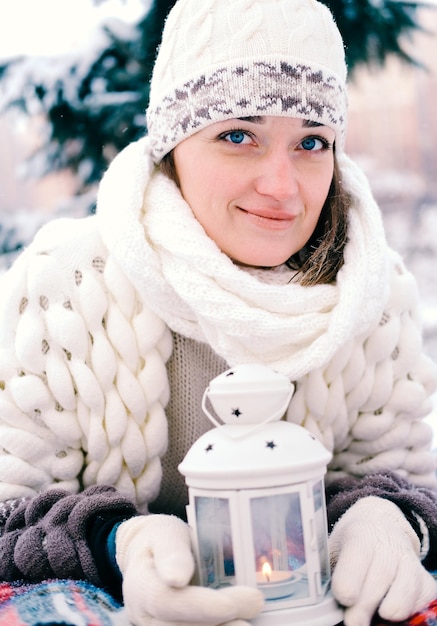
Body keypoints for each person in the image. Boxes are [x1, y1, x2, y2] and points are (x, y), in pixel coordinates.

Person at [0, 0, 436, 625]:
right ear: (174, 146)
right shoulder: (66, 286)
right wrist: (117, 545)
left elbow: (405, 477)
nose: (283, 186)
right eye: (238, 135)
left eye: (312, 142)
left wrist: (387, 518)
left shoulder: (371, 294)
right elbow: (7, 514)